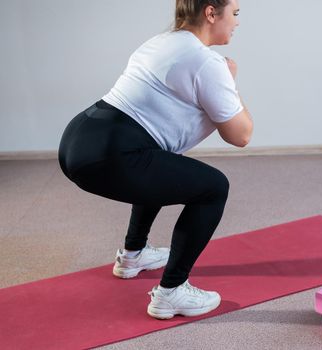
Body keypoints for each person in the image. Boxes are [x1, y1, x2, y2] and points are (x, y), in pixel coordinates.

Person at [58, 0, 252, 320]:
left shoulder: (163, 41)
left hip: (79, 138)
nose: (237, 22)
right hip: (110, 153)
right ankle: (171, 292)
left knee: (160, 162)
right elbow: (241, 135)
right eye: (235, 13)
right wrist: (231, 80)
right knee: (214, 187)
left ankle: (133, 255)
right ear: (210, 13)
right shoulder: (207, 62)